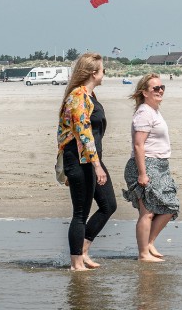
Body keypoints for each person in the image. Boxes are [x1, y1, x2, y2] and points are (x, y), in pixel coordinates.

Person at [57, 52, 110, 271]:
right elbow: (83, 133)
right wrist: (96, 166)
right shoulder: (78, 95)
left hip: (92, 158)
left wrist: (97, 162)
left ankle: (84, 250)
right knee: (81, 212)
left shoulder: (91, 95)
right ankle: (75, 263)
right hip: (80, 160)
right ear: (92, 73)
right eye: (103, 69)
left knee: (108, 205)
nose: (105, 73)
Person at [122, 73, 179, 262]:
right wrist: (142, 173)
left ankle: (149, 243)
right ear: (144, 92)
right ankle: (143, 254)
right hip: (146, 164)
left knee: (170, 206)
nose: (160, 90)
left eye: (162, 87)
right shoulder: (144, 112)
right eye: (155, 88)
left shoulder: (154, 110)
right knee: (147, 212)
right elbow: (139, 145)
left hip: (160, 165)